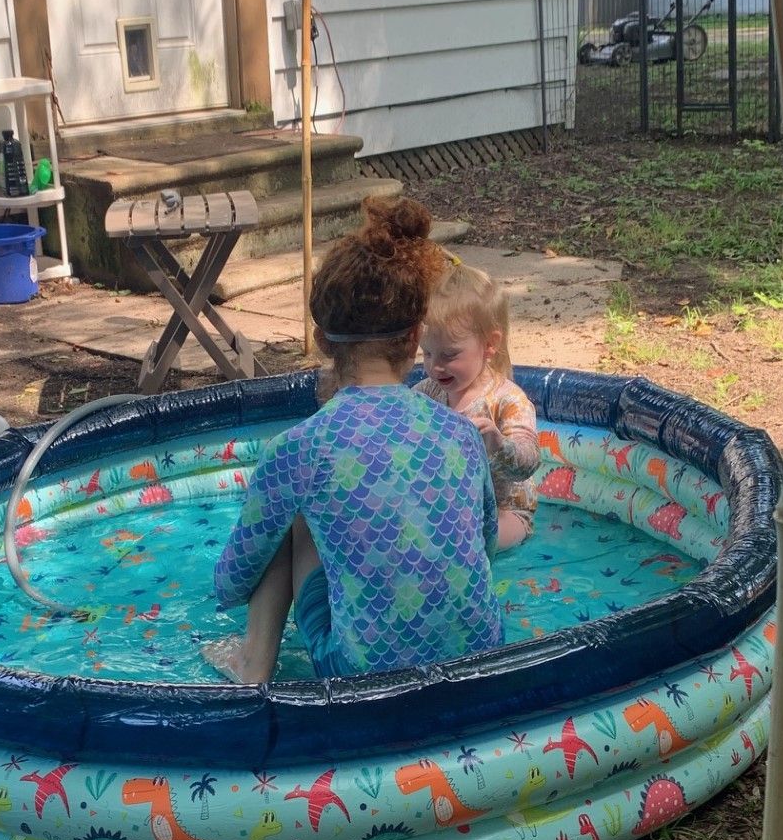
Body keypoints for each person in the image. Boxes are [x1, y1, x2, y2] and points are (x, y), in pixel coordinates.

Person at [206, 199, 503, 685]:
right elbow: (485, 545)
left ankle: (252, 663)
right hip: (482, 652)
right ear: (414, 337)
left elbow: (232, 583)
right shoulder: (461, 434)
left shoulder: (297, 448)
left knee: (291, 516)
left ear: (323, 341)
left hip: (364, 672)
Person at [418, 260, 540, 548]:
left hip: (505, 512)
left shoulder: (506, 399)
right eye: (427, 354)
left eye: (449, 355)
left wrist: (498, 446)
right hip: (448, 511)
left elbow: (529, 461)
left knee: (474, 541)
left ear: (489, 344)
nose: (435, 367)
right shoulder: (426, 394)